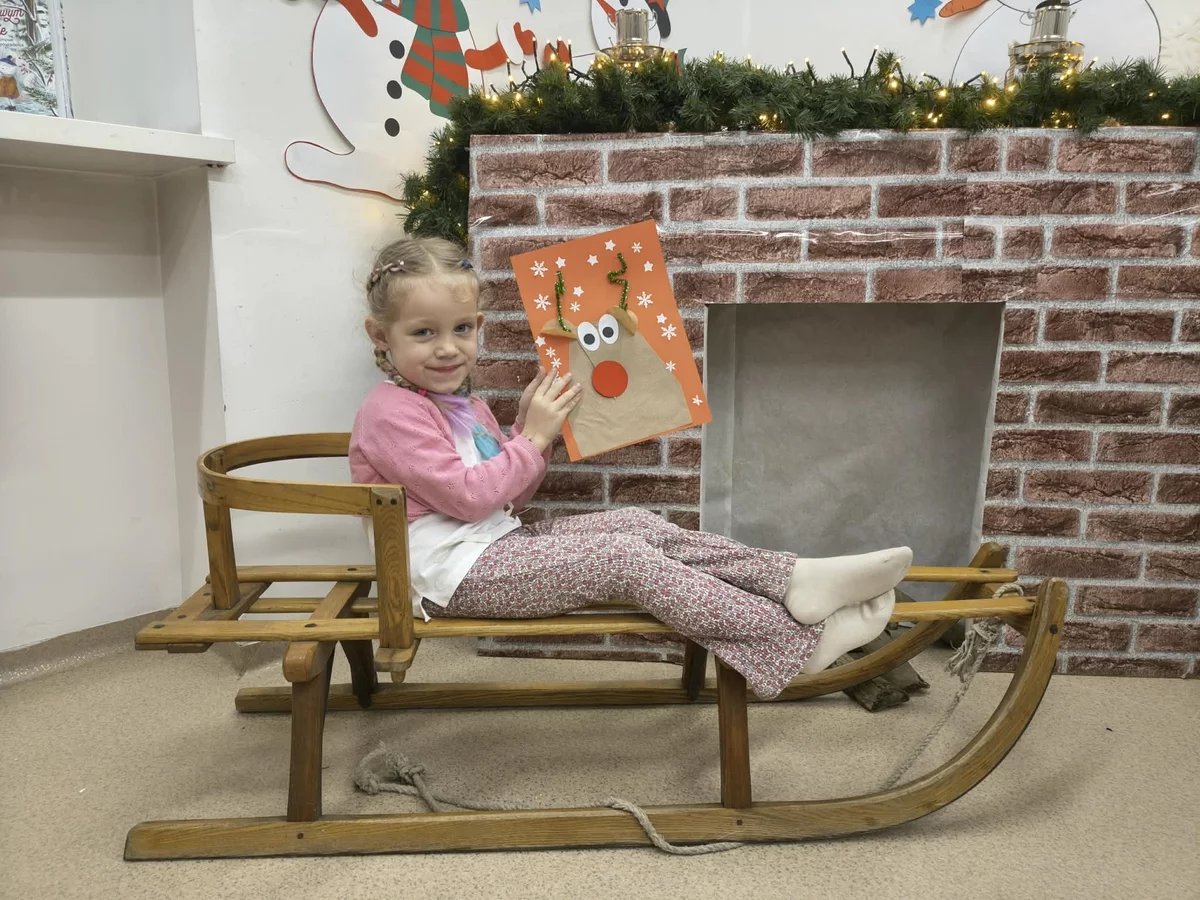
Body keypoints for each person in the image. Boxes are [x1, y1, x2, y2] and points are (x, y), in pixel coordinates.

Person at [349, 236, 910, 699]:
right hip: (451, 578)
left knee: (637, 524)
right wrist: (534, 437)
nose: (447, 348)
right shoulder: (390, 413)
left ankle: (792, 580)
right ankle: (790, 643)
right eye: (423, 332)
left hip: (494, 547)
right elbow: (471, 498)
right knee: (622, 559)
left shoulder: (465, 406)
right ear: (381, 335)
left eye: (461, 329)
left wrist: (525, 431)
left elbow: (508, 499)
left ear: (477, 324)